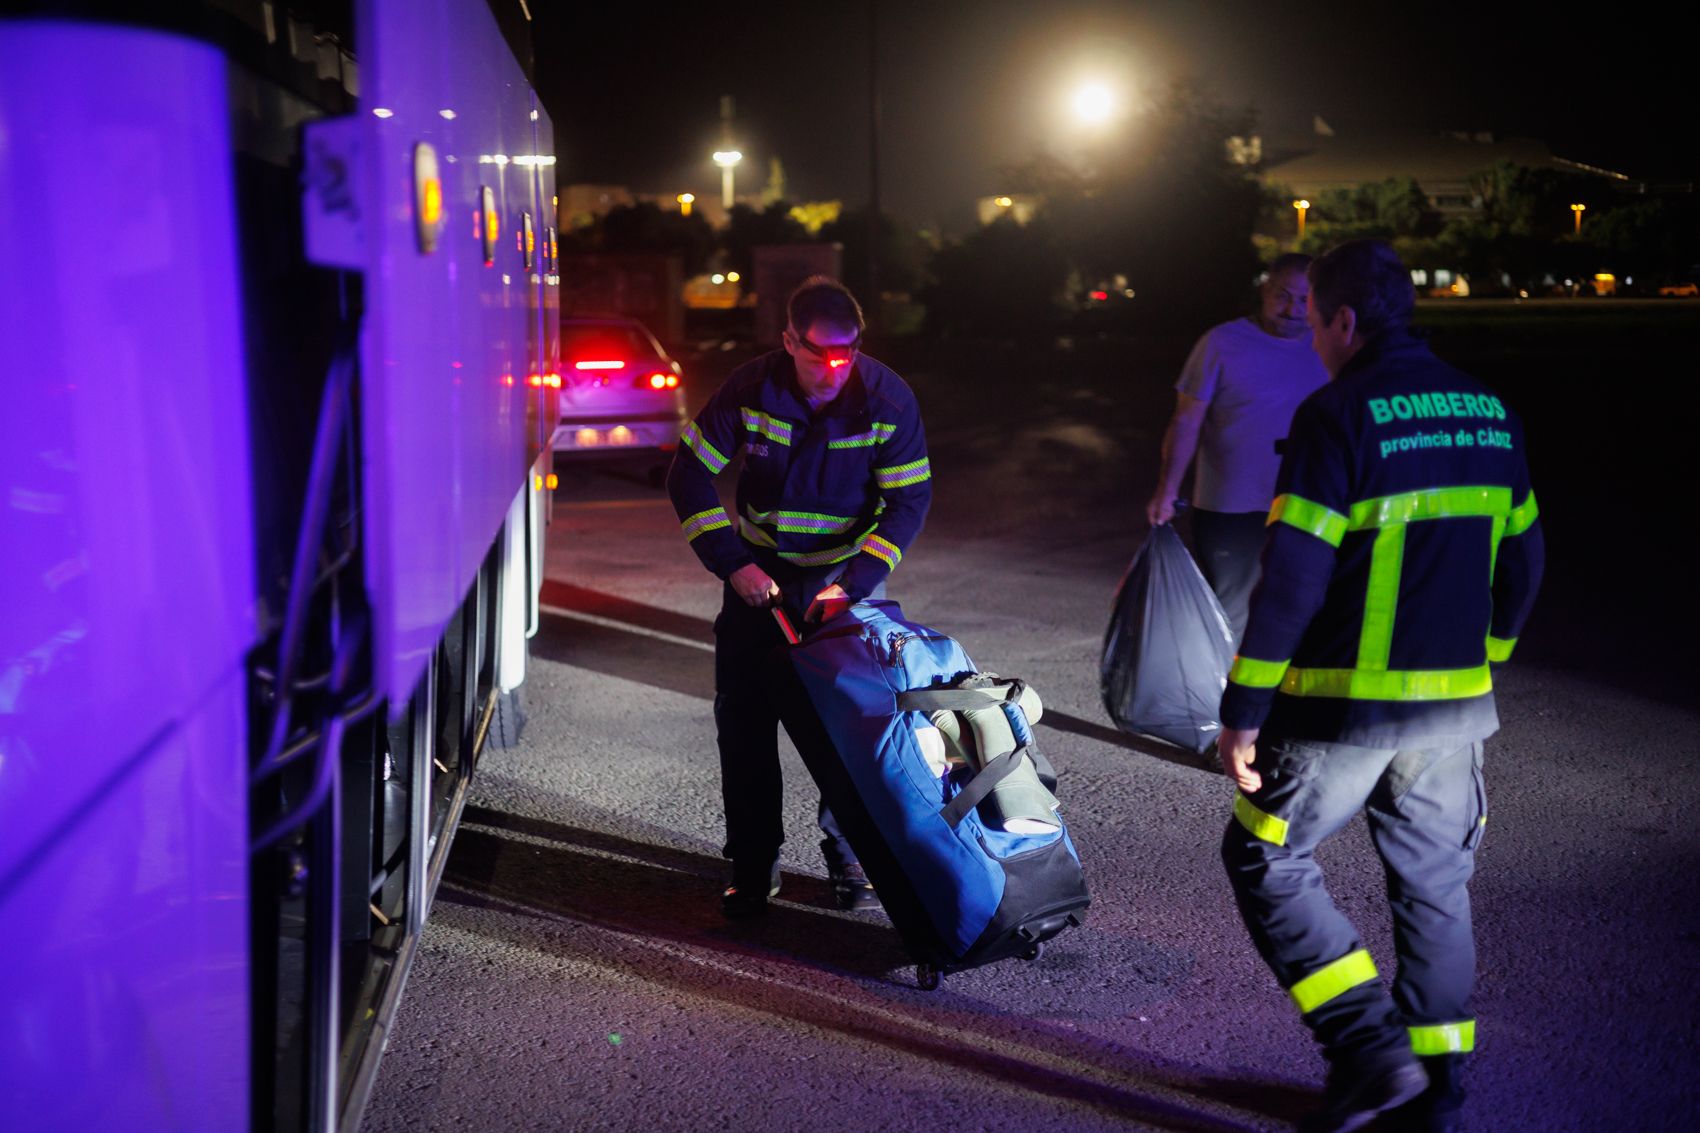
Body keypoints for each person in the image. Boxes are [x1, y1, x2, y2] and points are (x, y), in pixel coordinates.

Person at [1216, 241, 1543, 1133]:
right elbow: (1525, 560)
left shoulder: (1337, 414)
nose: (1313, 337)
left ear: (1345, 320)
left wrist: (1244, 707)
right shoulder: (1488, 410)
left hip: (1341, 711)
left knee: (1265, 859)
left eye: (1315, 320)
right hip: (1453, 714)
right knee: (1435, 885)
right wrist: (1490, 656)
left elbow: (1289, 581)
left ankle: (1368, 1051)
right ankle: (1437, 1092)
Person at [666, 276, 932, 918]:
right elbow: (689, 476)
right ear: (789, 340)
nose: (832, 371)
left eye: (845, 356)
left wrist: (856, 583)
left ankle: (850, 860)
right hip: (759, 581)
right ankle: (754, 866)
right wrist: (734, 567)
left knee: (853, 730)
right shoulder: (751, 389)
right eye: (818, 356)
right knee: (745, 726)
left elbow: (907, 503)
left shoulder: (887, 399)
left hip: (844, 586)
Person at [1146, 254, 1328, 646]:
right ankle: (1227, 698)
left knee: (1303, 606)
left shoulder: (1326, 345)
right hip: (1232, 507)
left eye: (1304, 300)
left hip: (1305, 503)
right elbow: (1186, 422)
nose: (1293, 310)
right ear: (1264, 290)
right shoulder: (1222, 344)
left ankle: (1283, 699)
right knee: (1232, 611)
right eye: (1283, 296)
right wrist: (1167, 490)